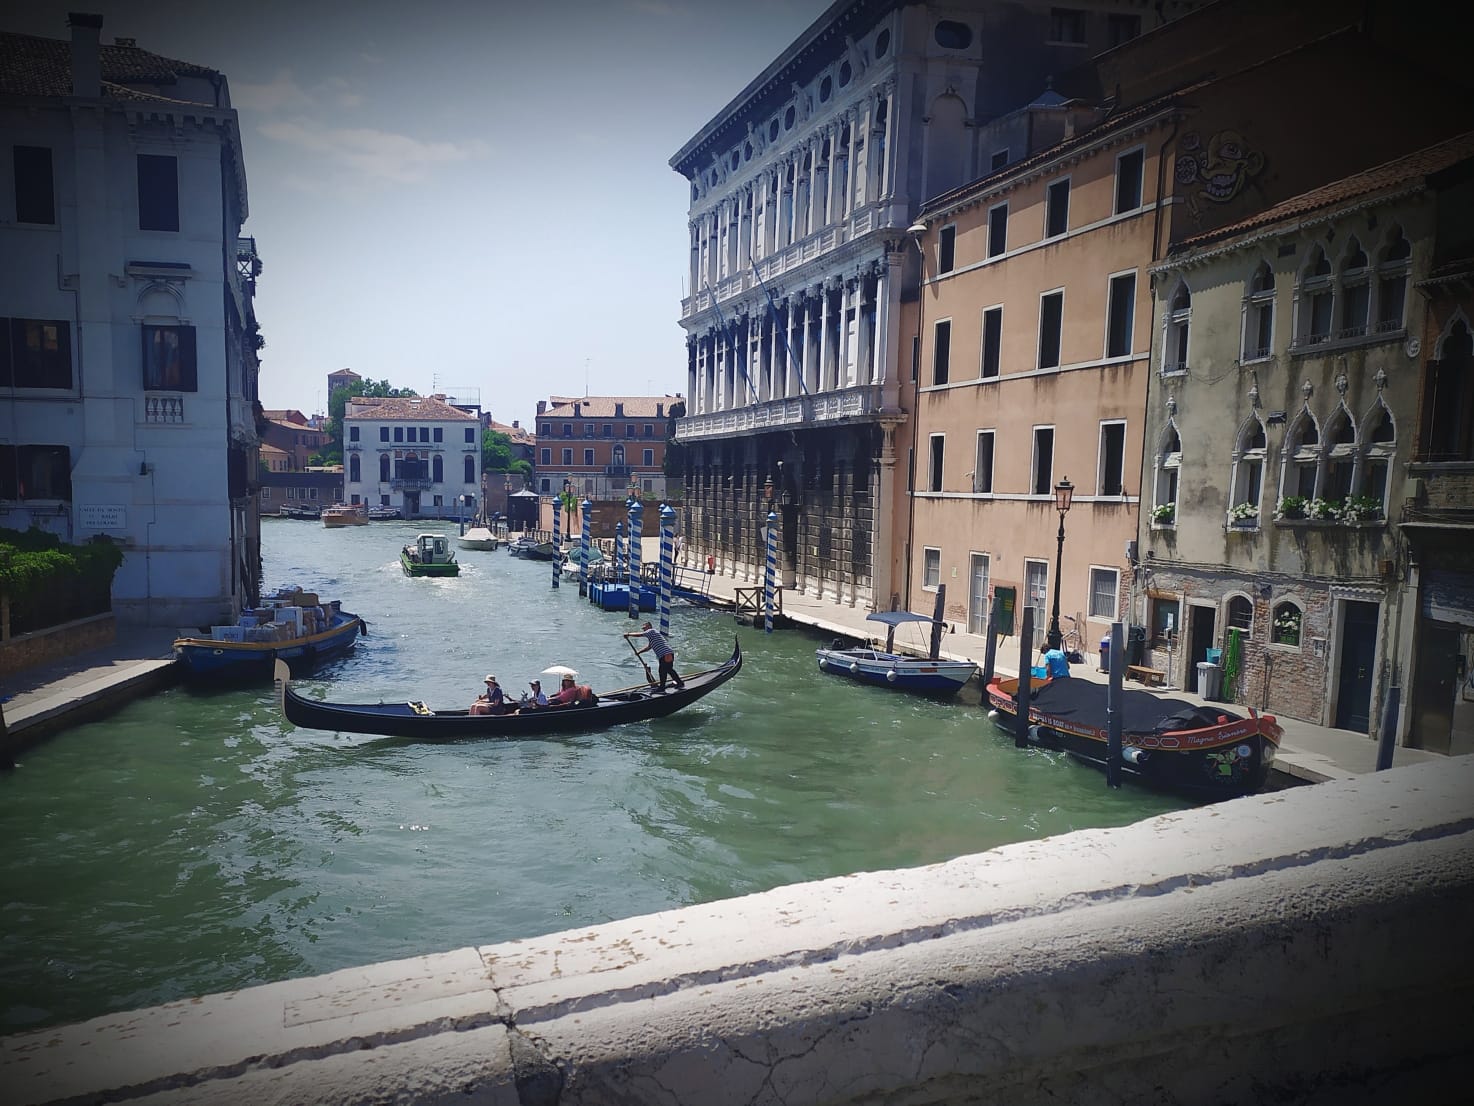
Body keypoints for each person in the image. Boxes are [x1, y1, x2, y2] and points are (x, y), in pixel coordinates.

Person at [624, 620, 684, 691]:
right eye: (643, 628)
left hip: (665, 653)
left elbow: (640, 634)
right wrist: (639, 652)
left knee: (662, 670)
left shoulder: (652, 631)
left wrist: (628, 634)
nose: (643, 629)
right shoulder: (652, 637)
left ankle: (662, 688)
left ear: (649, 626)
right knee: (669, 670)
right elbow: (649, 647)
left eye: (644, 627)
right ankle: (679, 683)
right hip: (666, 654)